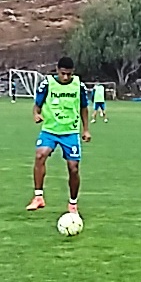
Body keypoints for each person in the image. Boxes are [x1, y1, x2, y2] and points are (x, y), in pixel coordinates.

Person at [26, 57, 91, 214]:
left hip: (70, 132)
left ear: (73, 72)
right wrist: (36, 114)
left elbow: (84, 108)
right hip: (50, 130)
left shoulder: (78, 86)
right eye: (63, 74)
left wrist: (86, 129)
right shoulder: (48, 84)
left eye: (69, 74)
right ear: (57, 70)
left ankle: (73, 204)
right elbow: (37, 105)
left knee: (73, 168)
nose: (66, 77)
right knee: (40, 155)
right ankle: (38, 197)